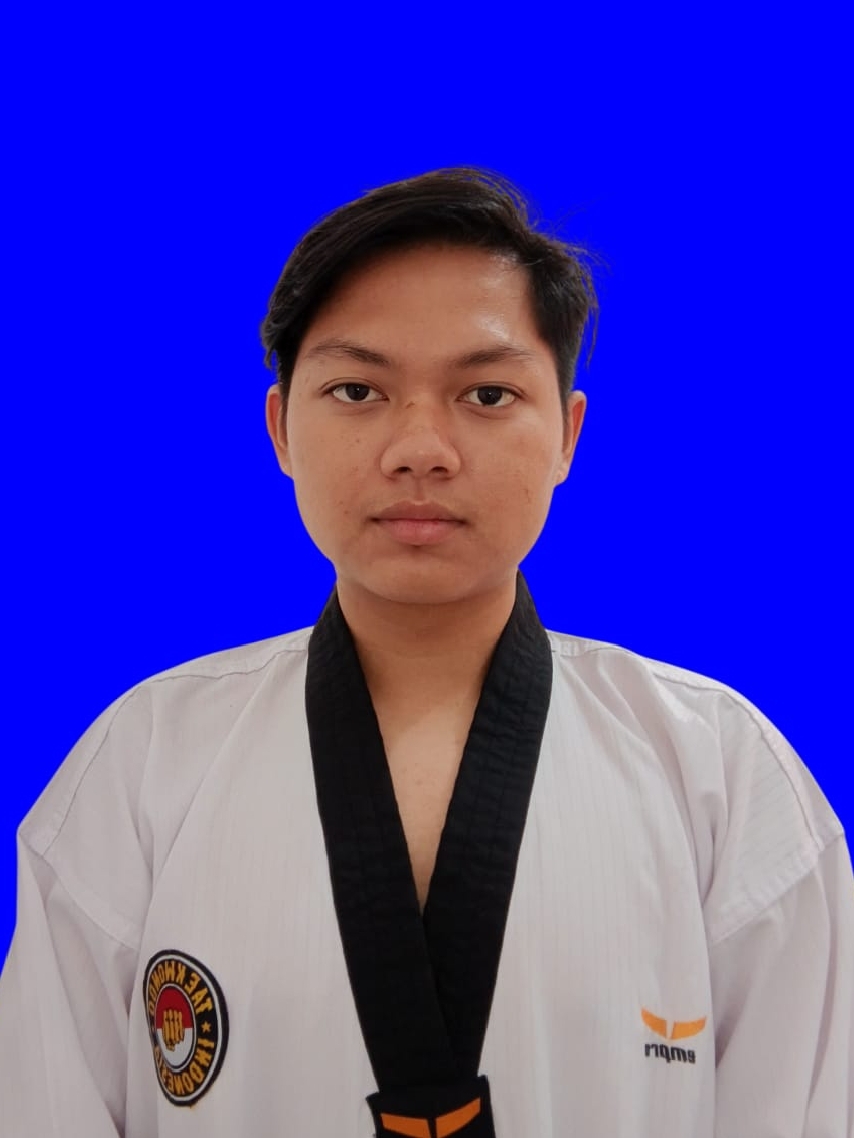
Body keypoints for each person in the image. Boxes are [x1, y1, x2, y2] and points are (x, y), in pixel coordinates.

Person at [0, 166, 851, 1138]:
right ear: (280, 429)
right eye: (357, 389)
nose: (419, 448)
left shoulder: (722, 773)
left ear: (567, 435)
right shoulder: (143, 764)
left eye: (486, 393)